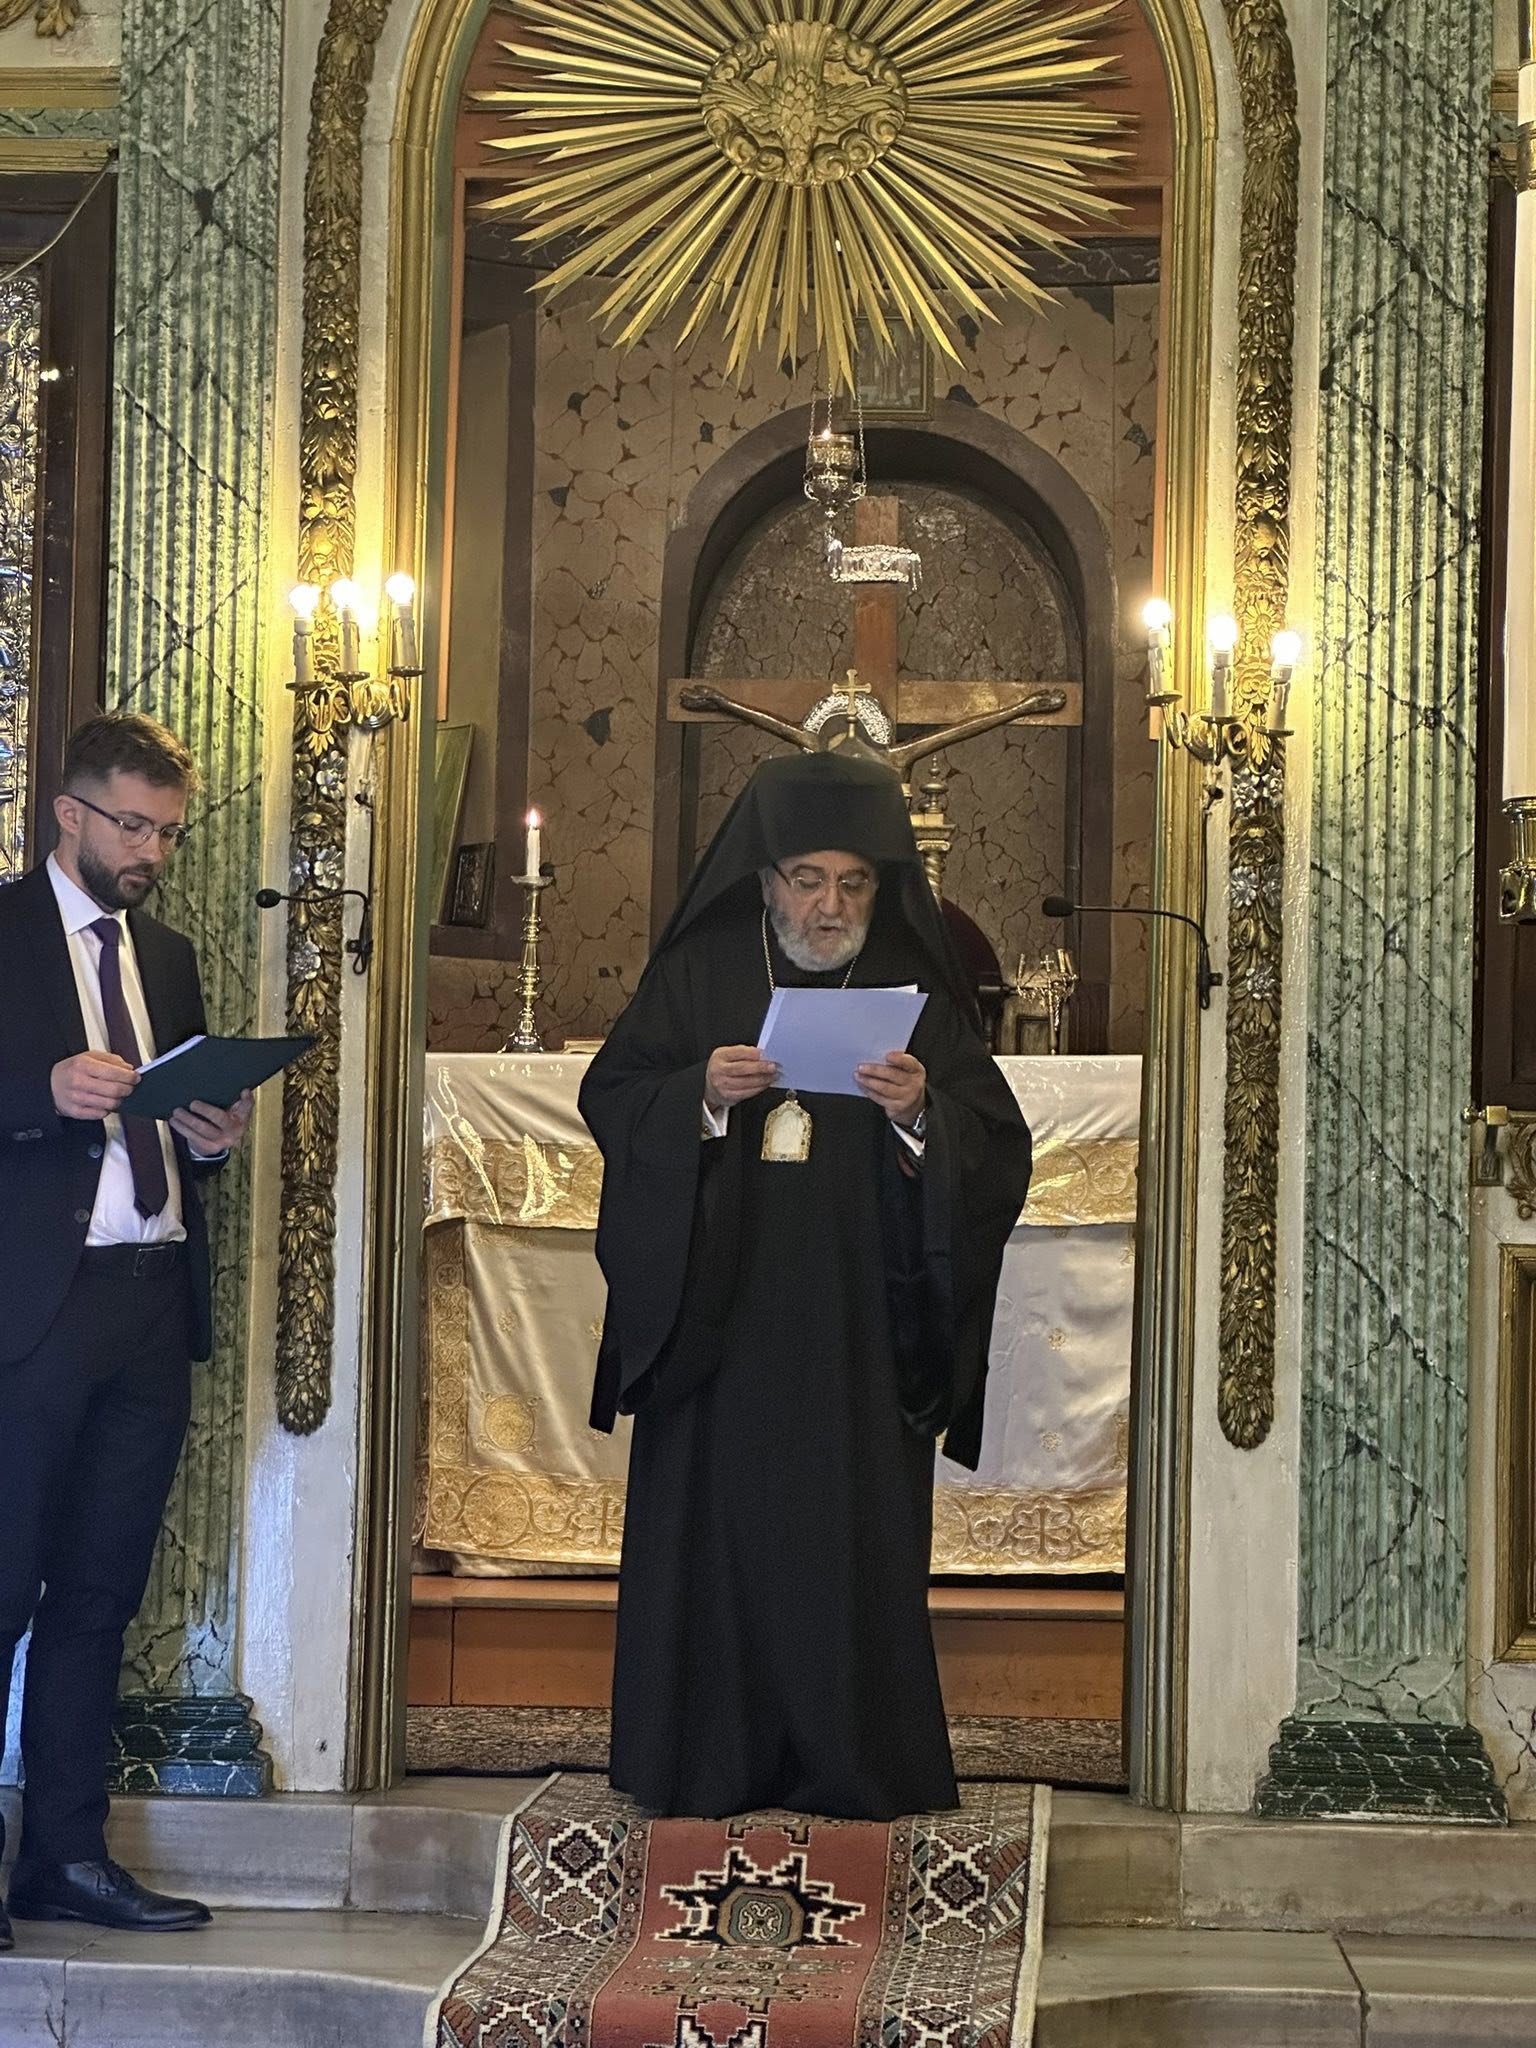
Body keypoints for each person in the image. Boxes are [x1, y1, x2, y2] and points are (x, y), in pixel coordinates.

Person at [580, 751, 1032, 1821]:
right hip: (721, 1320)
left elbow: (996, 1144)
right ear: (767, 878)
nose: (830, 906)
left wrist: (922, 1116)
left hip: (857, 1325)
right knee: (719, 1536)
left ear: (881, 887)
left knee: (848, 1539)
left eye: (854, 884)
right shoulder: (700, 970)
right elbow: (614, 1095)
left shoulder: (914, 990)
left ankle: (851, 1759)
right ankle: (707, 1759)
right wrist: (699, 1094)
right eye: (809, 880)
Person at [0, 713, 253, 1947]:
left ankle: (63, 1856)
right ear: (70, 812)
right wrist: (39, 1093)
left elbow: (176, 1118)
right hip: (31, 1312)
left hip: (150, 1305)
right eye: (133, 825)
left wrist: (212, 1140)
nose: (150, 850)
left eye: (167, 831)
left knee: (99, 1595)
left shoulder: (169, 955)